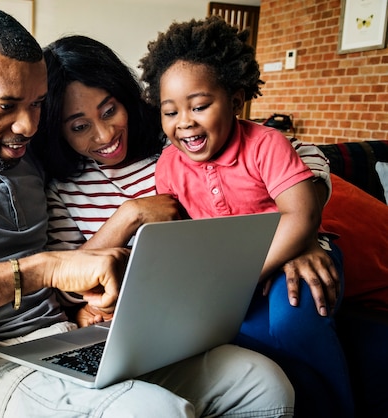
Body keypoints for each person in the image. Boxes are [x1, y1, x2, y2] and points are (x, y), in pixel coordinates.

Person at [0, 8, 295, 417]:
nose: (27, 124)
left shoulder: (30, 149)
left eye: (38, 105)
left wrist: (305, 229)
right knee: (152, 413)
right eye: (5, 106)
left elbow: (237, 149)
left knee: (261, 383)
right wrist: (38, 269)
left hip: (64, 340)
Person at [31, 34, 351, 417]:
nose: (104, 135)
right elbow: (67, 287)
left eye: (109, 110)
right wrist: (129, 214)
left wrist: (297, 237)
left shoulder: (176, 145)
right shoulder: (65, 189)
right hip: (163, 314)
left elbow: (301, 157)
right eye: (79, 126)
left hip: (223, 283)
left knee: (286, 327)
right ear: (58, 130)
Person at [139, 17, 353, 417]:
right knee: (242, 336)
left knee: (292, 322)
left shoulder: (266, 144)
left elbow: (301, 215)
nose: (184, 121)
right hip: (231, 276)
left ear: (236, 101)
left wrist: (240, 276)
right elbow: (178, 232)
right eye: (170, 112)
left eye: (199, 106)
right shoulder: (168, 163)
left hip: (296, 256)